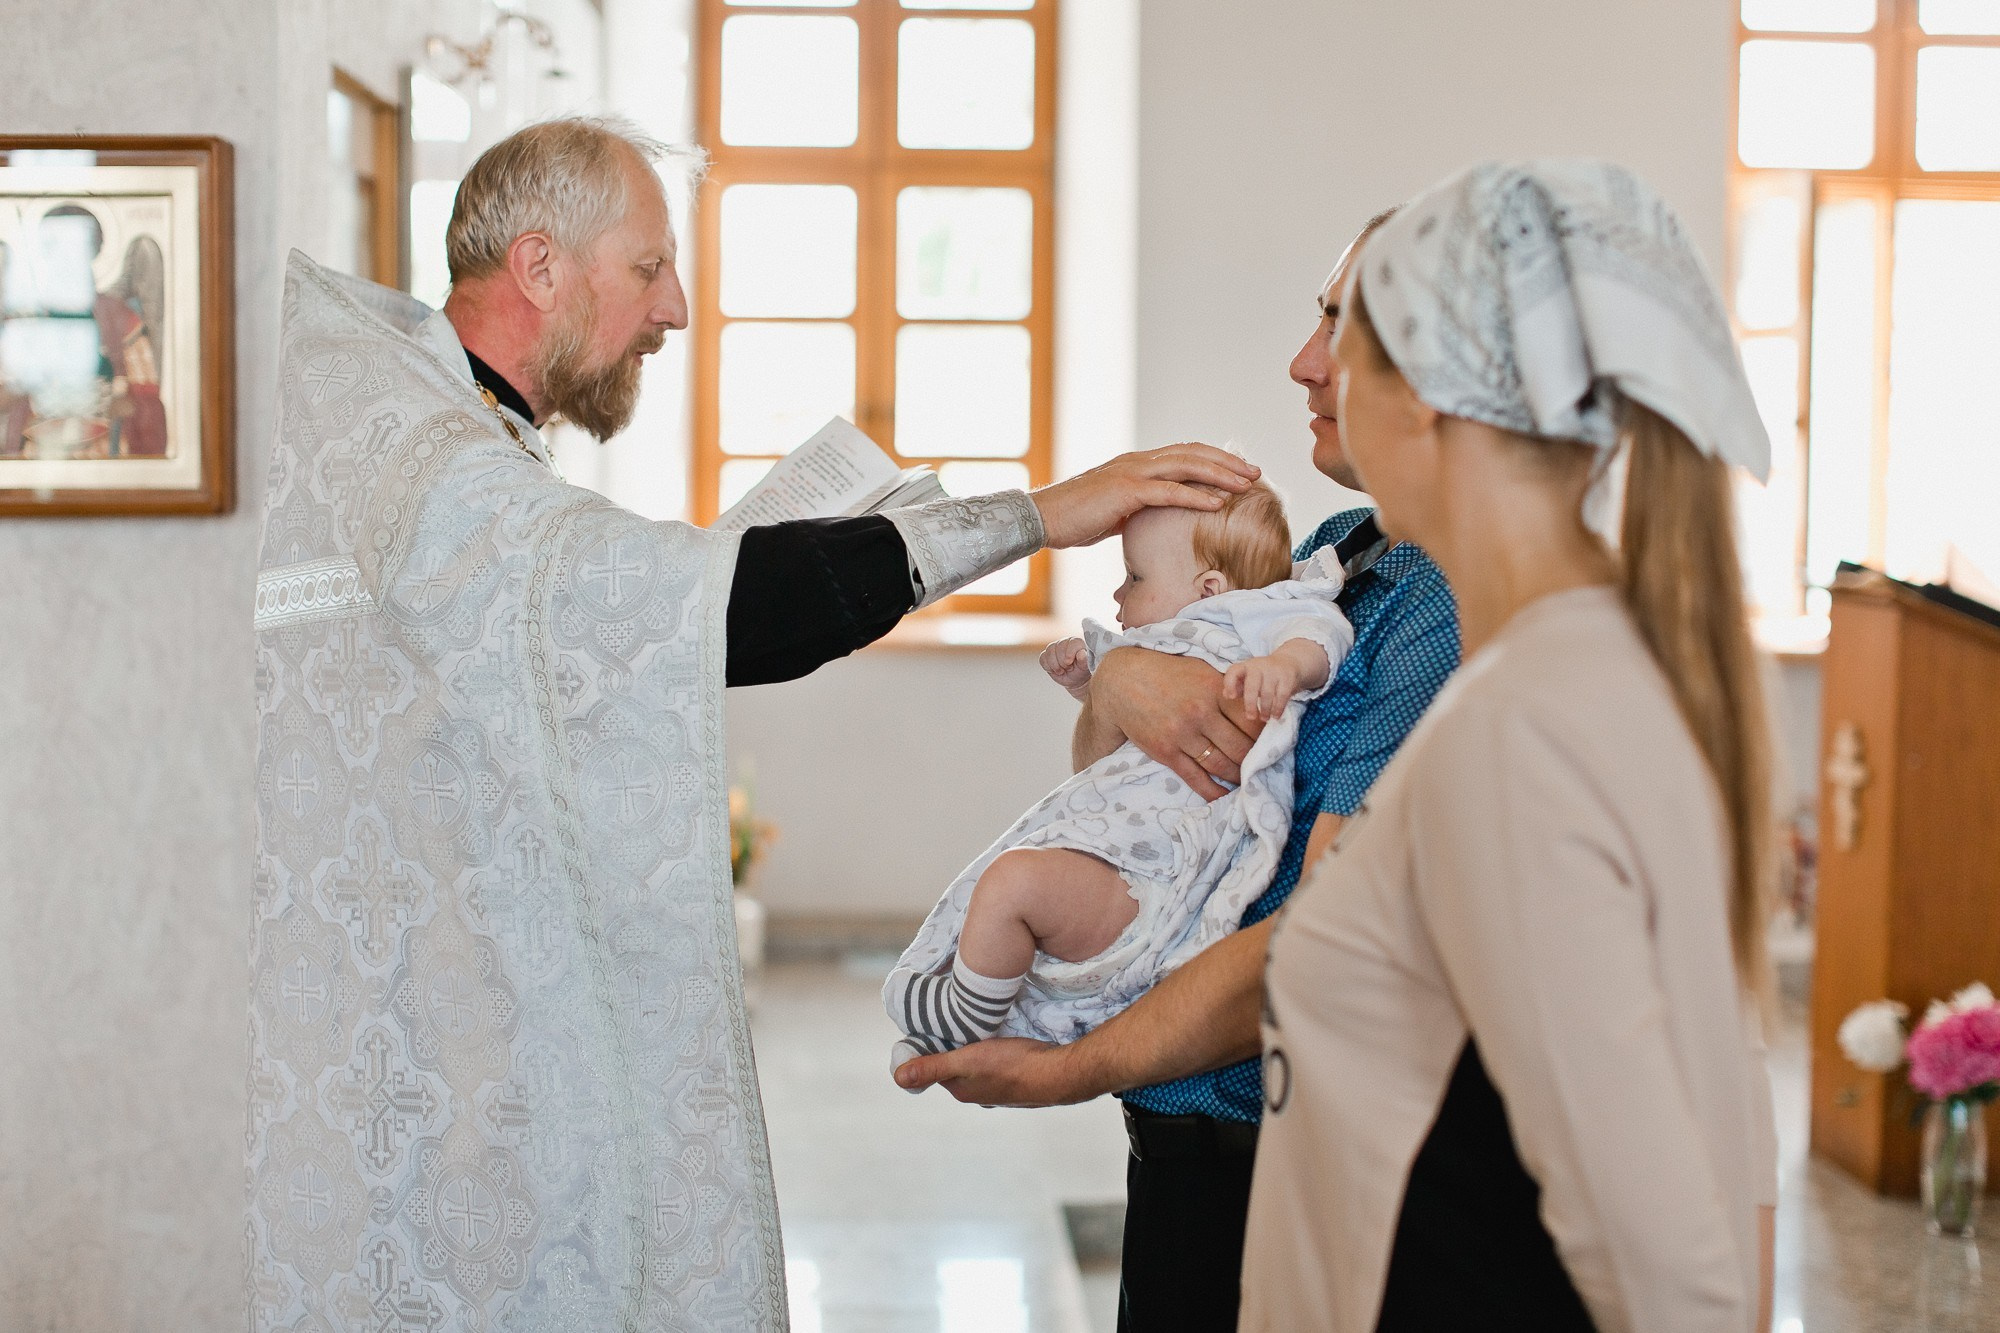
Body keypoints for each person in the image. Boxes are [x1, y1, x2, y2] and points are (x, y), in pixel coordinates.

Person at [246, 115, 1258, 1332]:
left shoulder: (443, 423)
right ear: (538, 265)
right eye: (647, 268)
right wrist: (1036, 516)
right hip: (419, 1020)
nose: (673, 309)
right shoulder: (444, 468)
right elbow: (733, 614)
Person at [894, 208, 1463, 1331]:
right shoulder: (1342, 548)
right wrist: (1120, 682)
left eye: (1340, 328)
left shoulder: (1439, 602)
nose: (1303, 362)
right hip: (1183, 1119)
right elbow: (1113, 787)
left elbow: (1318, 939)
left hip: (1272, 1141)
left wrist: (1064, 1067)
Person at [1241, 160, 1781, 1332]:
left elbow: (1660, 1259)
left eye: (1348, 339)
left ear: (1428, 396)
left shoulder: (1518, 733)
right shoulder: (1609, 667)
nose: (1304, 367)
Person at [884, 479, 1352, 1068]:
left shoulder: (1257, 618)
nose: (1117, 592)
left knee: (1012, 885)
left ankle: (965, 1021)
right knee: (1006, 891)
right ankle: (968, 1021)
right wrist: (1090, 687)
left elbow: (1322, 633)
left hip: (1156, 871)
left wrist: (1286, 666)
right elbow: (1114, 756)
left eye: (1134, 577)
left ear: (1209, 589)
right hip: (1119, 853)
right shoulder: (1161, 646)